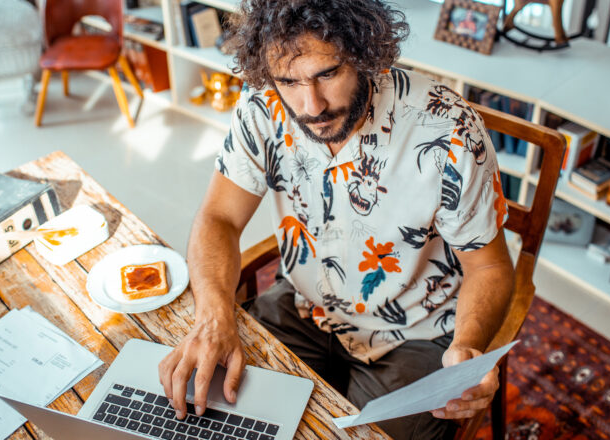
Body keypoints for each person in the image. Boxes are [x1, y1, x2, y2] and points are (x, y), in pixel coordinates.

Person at [157, 0, 514, 438]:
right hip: (306, 307)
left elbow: (490, 265)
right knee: (216, 416)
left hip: (414, 330)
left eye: (327, 74)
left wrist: (468, 345)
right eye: (289, 80)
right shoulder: (262, 108)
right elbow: (219, 217)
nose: (312, 106)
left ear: (366, 52)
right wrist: (212, 318)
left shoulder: (448, 131)